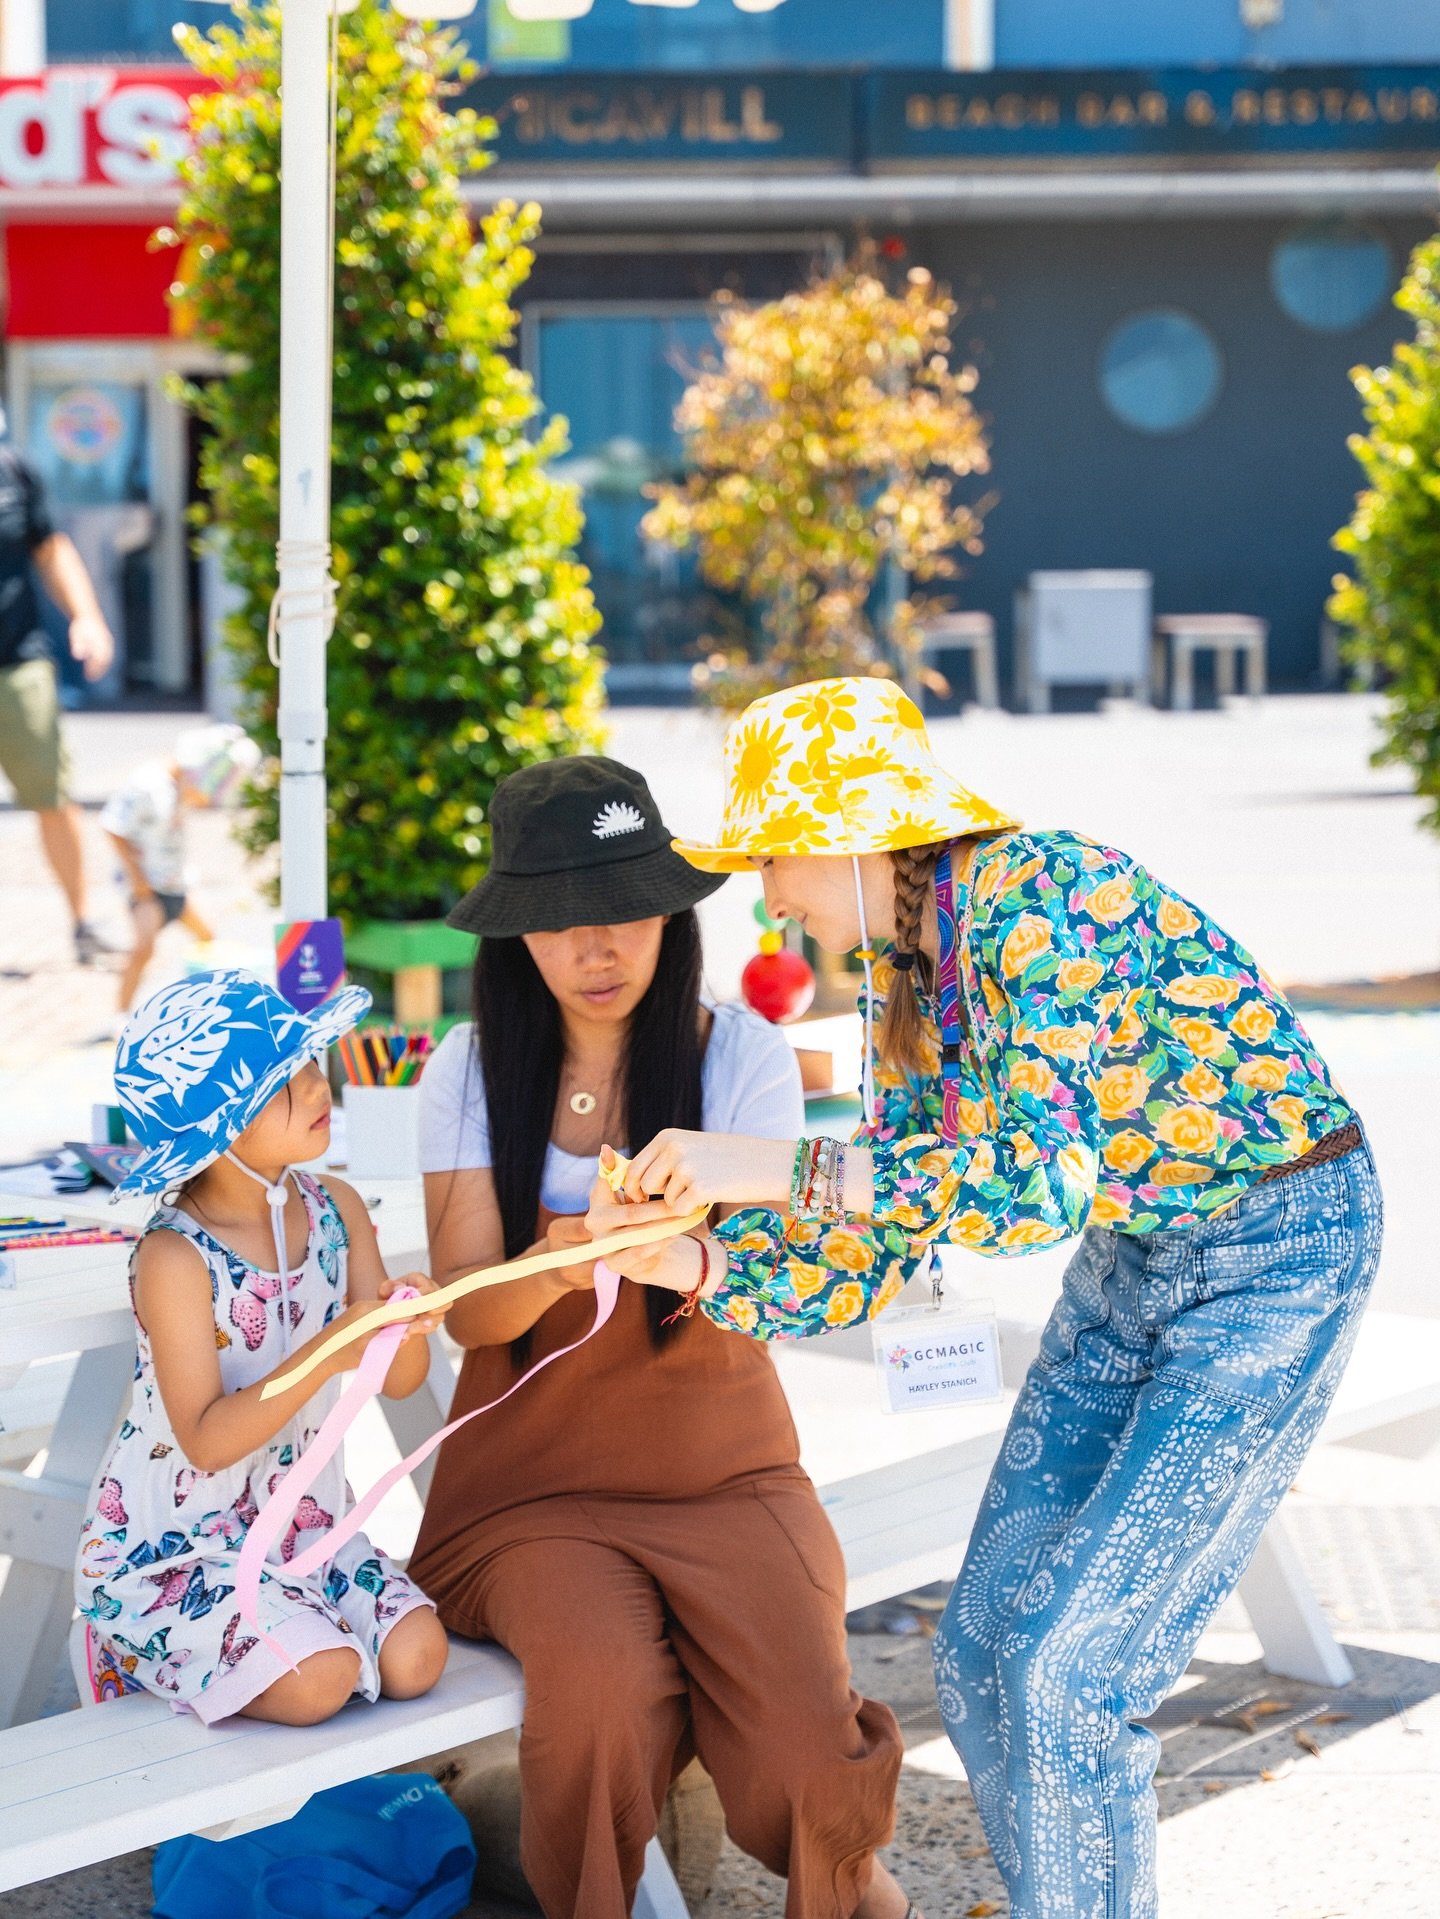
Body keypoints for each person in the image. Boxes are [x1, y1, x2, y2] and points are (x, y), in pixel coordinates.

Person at [587, 676, 1383, 1919]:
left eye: (776, 858)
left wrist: (766, 1162)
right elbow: (888, 1226)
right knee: (978, 1655)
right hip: (1139, 1261)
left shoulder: (1039, 898)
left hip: (1278, 1254)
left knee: (1068, 1672)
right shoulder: (902, 964)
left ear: (852, 829)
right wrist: (696, 1264)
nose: (770, 896)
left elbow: (1035, 1188)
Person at [406, 756, 915, 1919]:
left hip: (724, 1469)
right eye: (563, 920)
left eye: (629, 910)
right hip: (530, 1490)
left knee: (804, 1753)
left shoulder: (740, 1057)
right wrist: (579, 1243)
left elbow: (778, 1273)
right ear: (516, 932)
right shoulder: (470, 1069)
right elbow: (471, 1312)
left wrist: (678, 1239)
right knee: (593, 1695)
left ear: (673, 911)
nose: (601, 948)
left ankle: (861, 1892)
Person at [76, 969, 449, 1726]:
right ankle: (126, 1643)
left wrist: (404, 1323)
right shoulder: (174, 1257)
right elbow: (207, 1443)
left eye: (313, 1064)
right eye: (288, 1079)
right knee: (320, 1680)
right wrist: (335, 1348)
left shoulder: (337, 1209)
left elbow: (403, 1382)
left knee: (418, 1656)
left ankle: (278, 1628)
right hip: (180, 1549)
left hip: (305, 1526)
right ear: (217, 1124)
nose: (320, 1086)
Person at [0, 428, 119, 964]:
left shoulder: (13, 468)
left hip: (18, 660)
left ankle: (83, 922)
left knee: (52, 794)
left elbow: (51, 548)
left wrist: (88, 617)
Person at [101, 721, 261, 1016]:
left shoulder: (179, 786)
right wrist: (139, 882)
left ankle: (202, 1008)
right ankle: (121, 1016)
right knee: (144, 948)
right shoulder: (147, 784)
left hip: (176, 882)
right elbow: (114, 826)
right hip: (147, 885)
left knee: (209, 940)